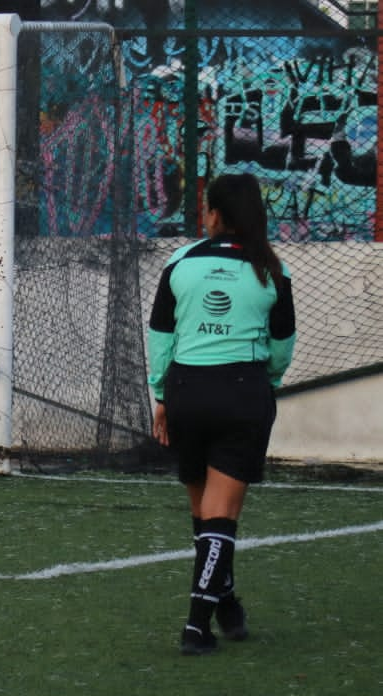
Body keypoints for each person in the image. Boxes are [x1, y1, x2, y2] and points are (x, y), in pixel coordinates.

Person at [148, 172, 295, 656]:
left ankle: (226, 604)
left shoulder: (179, 261)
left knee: (204, 512)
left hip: (187, 389)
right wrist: (265, 385)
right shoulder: (272, 270)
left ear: (212, 213)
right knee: (221, 514)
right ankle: (195, 627)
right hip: (242, 392)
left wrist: (162, 394)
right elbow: (281, 346)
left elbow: (161, 334)